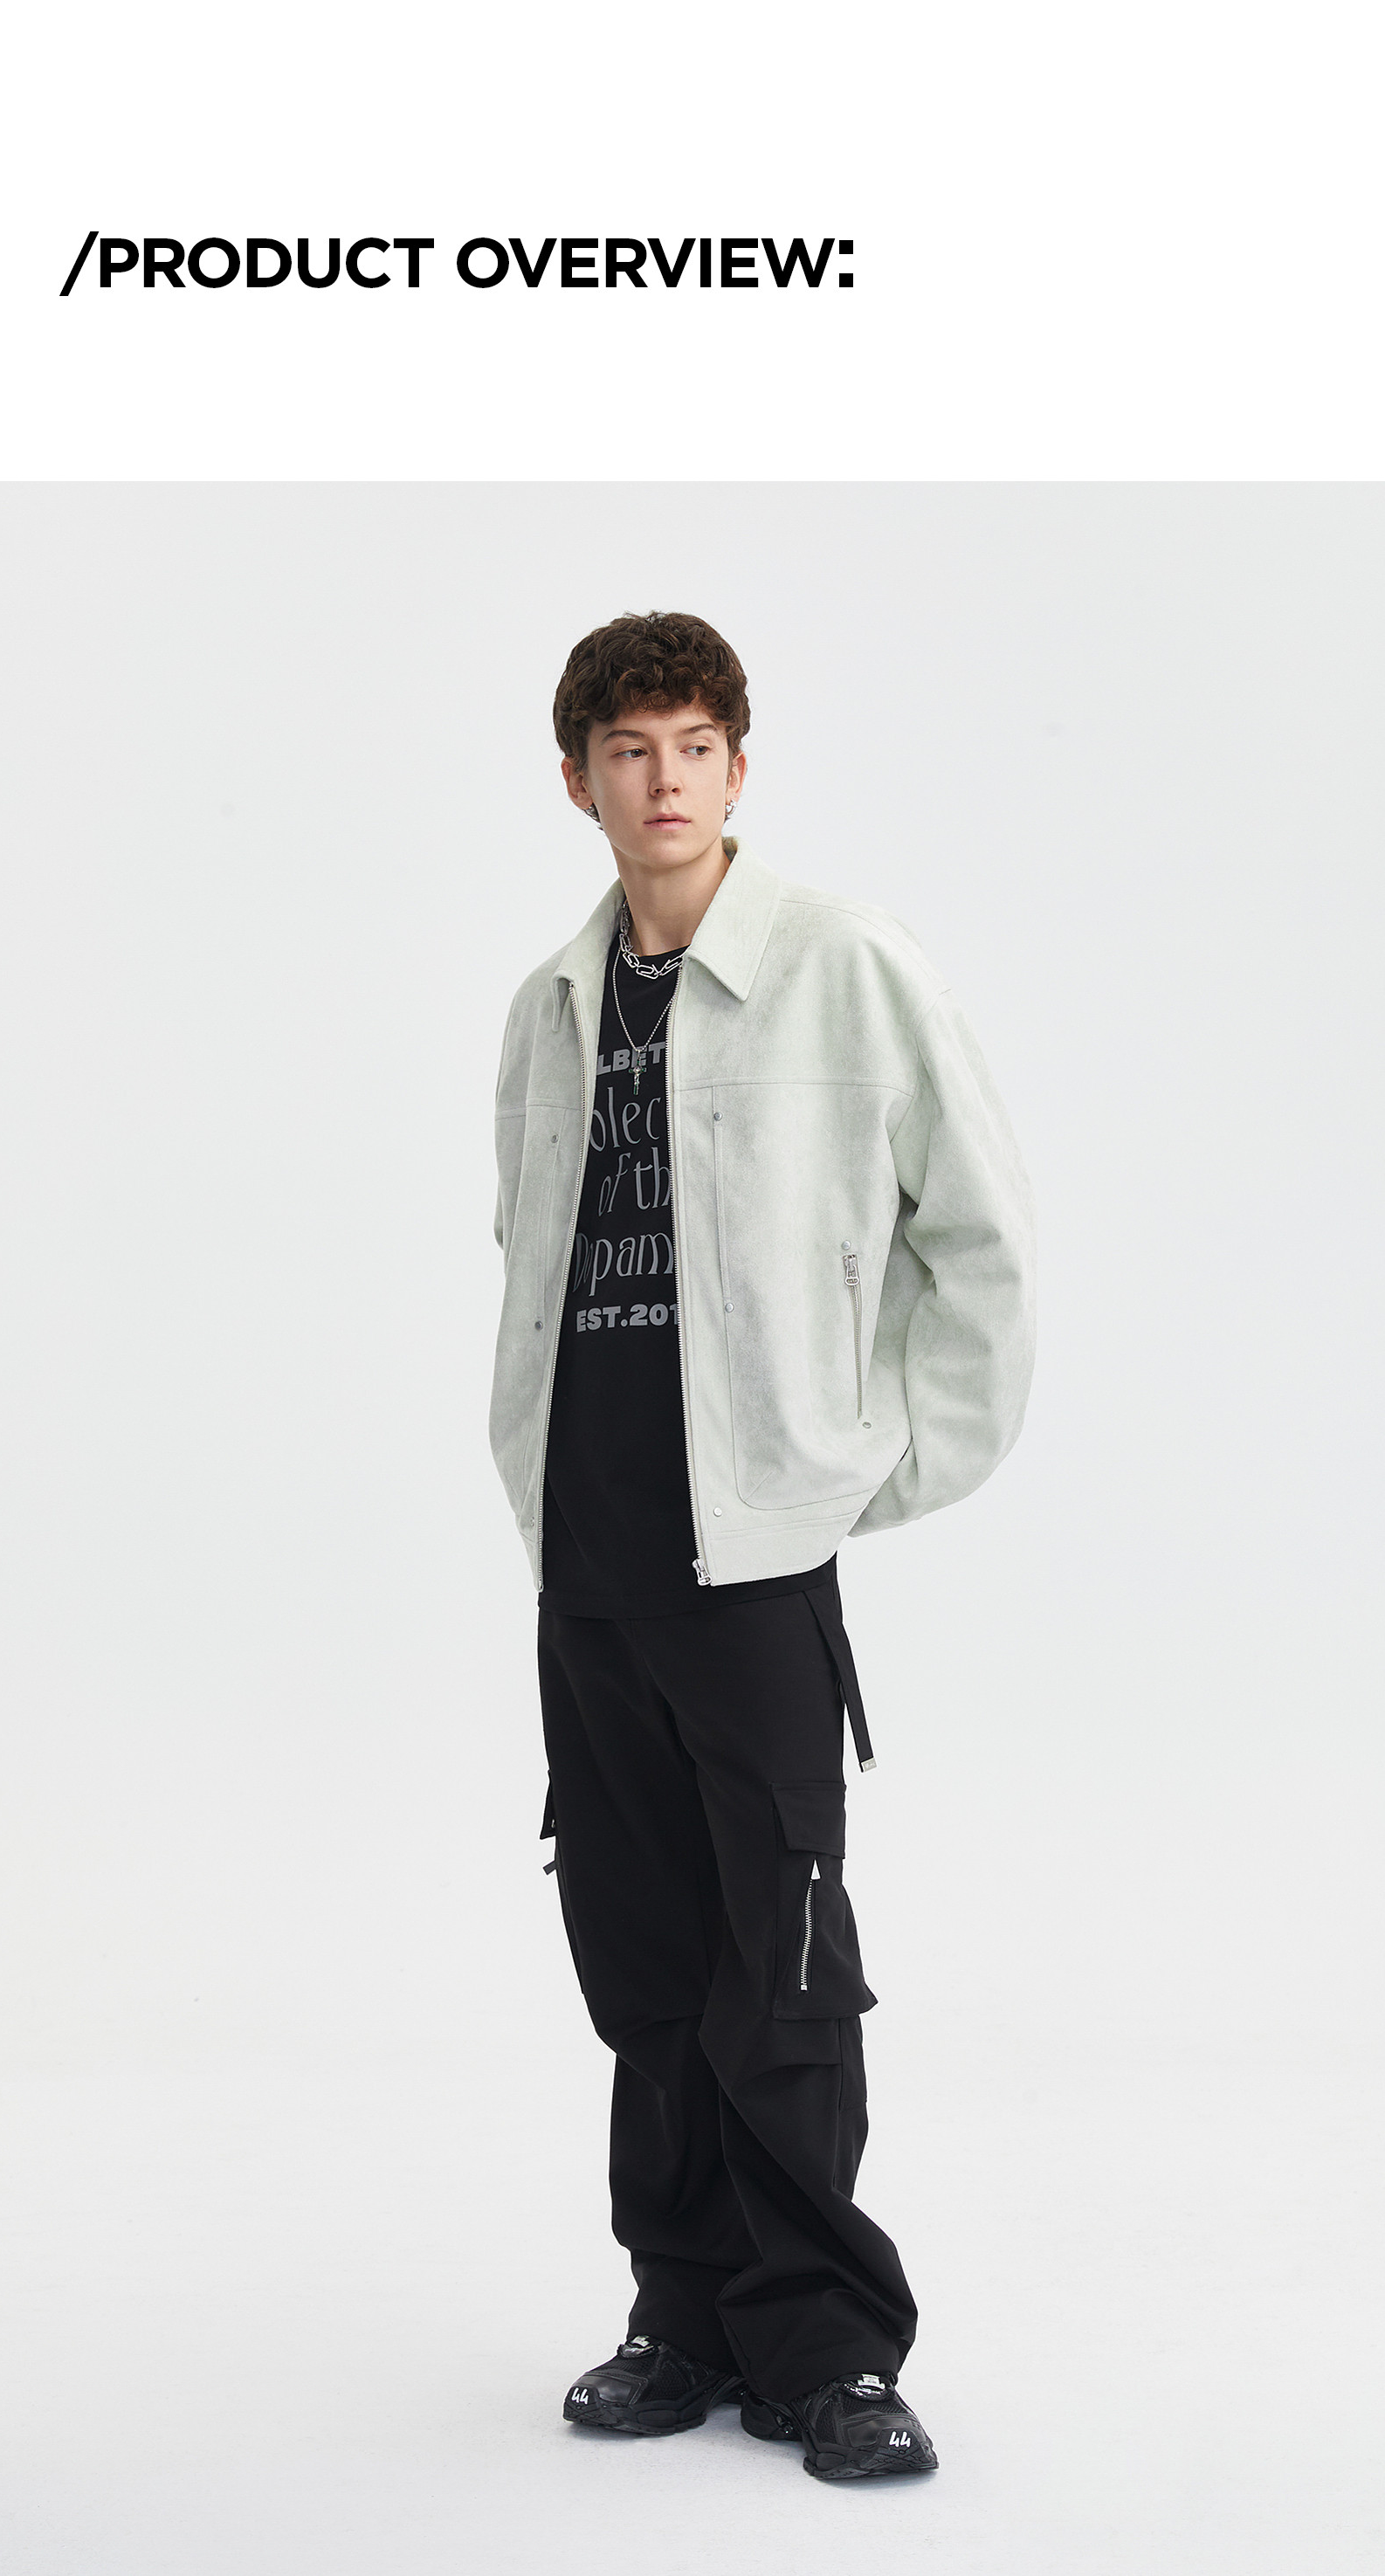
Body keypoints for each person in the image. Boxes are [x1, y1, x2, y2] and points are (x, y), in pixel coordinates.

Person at [489, 610, 1036, 2483]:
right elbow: (534, 1265)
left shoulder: (842, 966)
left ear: (738, 765)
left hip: (751, 1562)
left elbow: (979, 1241)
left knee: (783, 1962)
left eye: (695, 745)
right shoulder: (548, 1005)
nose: (664, 779)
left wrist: (860, 1471)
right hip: (591, 1554)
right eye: (628, 748)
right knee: (643, 1960)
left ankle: (827, 2345)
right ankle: (684, 2314)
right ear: (577, 780)